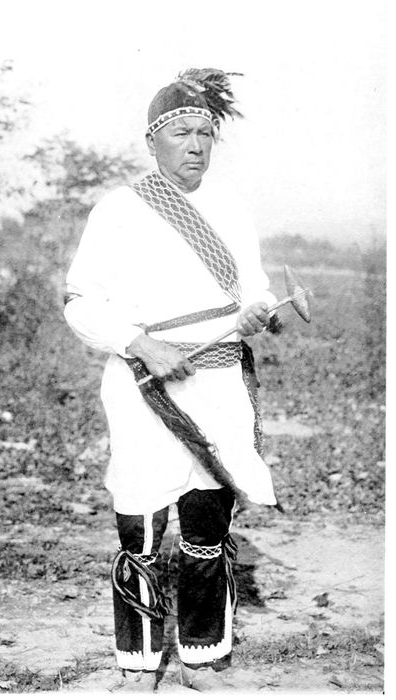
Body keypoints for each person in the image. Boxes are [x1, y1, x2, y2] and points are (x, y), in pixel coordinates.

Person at [64, 68, 279, 692]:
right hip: (146, 383)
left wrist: (259, 309)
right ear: (151, 142)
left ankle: (201, 658)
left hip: (219, 380)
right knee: (140, 525)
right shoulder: (120, 209)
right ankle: (138, 666)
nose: (195, 145)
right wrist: (140, 343)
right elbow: (81, 301)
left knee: (209, 522)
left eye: (204, 133)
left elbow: (255, 287)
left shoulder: (231, 208)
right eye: (181, 133)